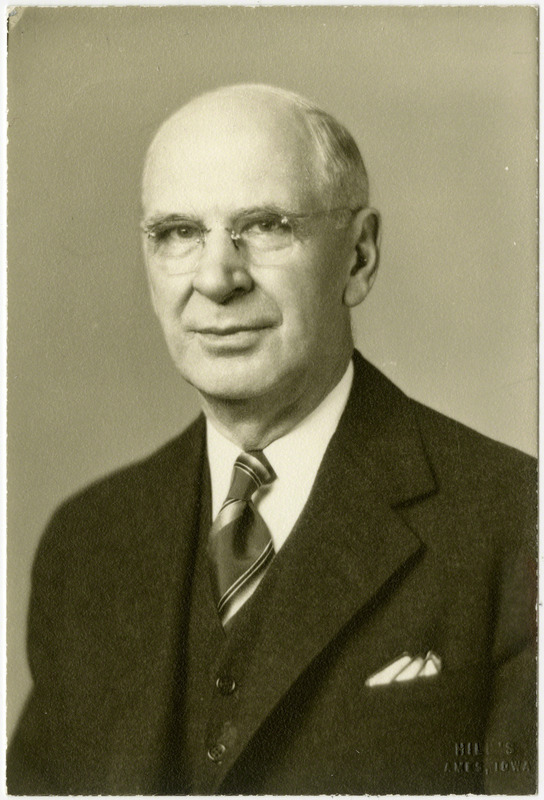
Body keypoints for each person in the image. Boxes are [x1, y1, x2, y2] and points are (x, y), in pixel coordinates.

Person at [7, 84, 536, 795]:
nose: (217, 279)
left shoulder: (515, 525)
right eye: (177, 233)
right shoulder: (88, 544)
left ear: (358, 257)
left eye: (264, 225)